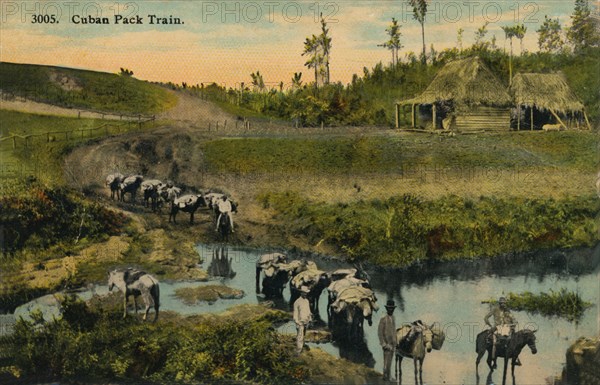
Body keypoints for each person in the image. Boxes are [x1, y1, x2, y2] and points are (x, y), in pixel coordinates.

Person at [484, 296, 519, 368]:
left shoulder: (507, 311)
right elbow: (486, 317)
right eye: (502, 303)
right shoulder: (495, 309)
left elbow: (513, 318)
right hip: (497, 327)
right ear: (499, 303)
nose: (503, 304)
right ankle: (493, 360)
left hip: (506, 327)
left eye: (504, 303)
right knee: (494, 342)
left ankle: (516, 358)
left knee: (514, 340)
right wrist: (489, 324)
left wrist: (514, 323)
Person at [378, 299, 397, 382]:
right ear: (387, 309)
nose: (391, 310)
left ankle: (387, 376)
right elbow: (380, 332)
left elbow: (394, 330)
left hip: (392, 344)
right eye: (389, 308)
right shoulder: (383, 318)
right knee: (386, 361)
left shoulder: (393, 318)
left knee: (390, 361)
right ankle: (386, 377)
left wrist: (396, 342)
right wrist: (383, 344)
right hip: (386, 344)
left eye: (392, 308)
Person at [293, 286, 312, 355]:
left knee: (303, 334)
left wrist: (310, 319)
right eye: (304, 293)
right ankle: (298, 351)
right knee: (300, 336)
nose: (305, 294)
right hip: (300, 322)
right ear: (301, 293)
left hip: (306, 321)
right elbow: (295, 313)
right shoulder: (297, 302)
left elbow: (308, 311)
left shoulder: (307, 301)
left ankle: (302, 346)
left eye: (306, 293)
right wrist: (297, 322)